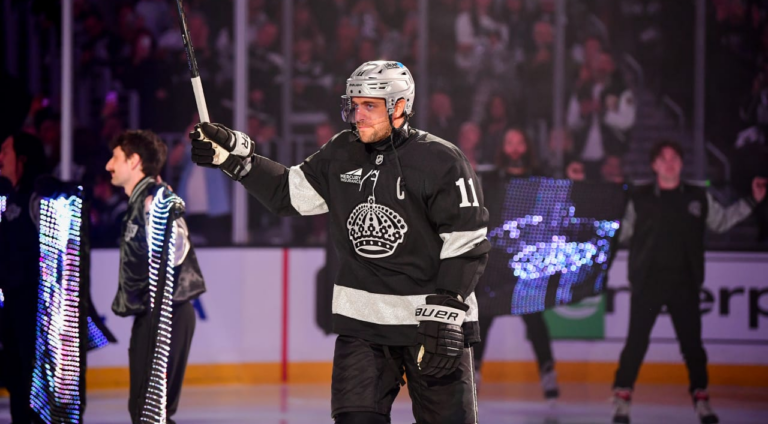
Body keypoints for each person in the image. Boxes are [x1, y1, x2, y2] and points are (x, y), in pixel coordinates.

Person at [190, 60, 490, 424]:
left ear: (399, 107)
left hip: (431, 323)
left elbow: (466, 240)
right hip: (363, 326)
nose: (357, 115)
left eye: (370, 106)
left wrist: (448, 310)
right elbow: (288, 193)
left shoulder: (443, 160)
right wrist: (235, 160)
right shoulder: (340, 151)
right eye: (354, 104)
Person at [612, 141, 767, 424]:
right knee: (636, 342)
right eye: (663, 158)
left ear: (681, 164)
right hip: (648, 282)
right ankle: (622, 399)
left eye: (675, 158)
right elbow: (621, 233)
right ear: (654, 165)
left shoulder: (698, 196)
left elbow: (721, 222)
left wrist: (752, 200)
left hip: (684, 283)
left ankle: (701, 399)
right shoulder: (640, 198)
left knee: (692, 345)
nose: (670, 163)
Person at [106, 130, 206, 424]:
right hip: (153, 314)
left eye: (115, 158)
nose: (108, 166)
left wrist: (158, 223)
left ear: (134, 161)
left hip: (167, 314)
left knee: (151, 413)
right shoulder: (140, 201)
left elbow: (177, 247)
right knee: (146, 413)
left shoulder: (157, 199)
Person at [475, 129, 559, 400]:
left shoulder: (539, 180)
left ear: (527, 146)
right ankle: (473, 372)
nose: (514, 148)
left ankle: (548, 372)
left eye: (519, 142)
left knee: (534, 317)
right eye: (508, 142)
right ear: (502, 147)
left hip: (528, 260)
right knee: (483, 315)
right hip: (495, 259)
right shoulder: (488, 180)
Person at [0, 132, 49, 423]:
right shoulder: (7, 198)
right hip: (11, 304)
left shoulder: (37, 197)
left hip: (34, 306)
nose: (0, 158)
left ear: (22, 159)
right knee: (14, 377)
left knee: (33, 377)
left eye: (5, 151)